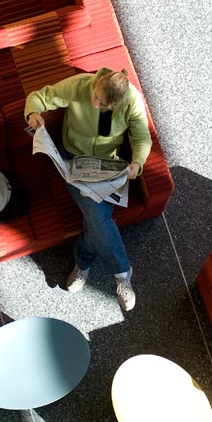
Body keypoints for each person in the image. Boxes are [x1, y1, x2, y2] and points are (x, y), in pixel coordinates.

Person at [25, 68, 152, 311]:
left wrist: (138, 162)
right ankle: (122, 274)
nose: (95, 105)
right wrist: (32, 113)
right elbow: (40, 96)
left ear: (118, 102)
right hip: (73, 160)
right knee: (97, 215)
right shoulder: (80, 85)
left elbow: (141, 137)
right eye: (95, 97)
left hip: (107, 164)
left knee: (96, 219)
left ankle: (82, 263)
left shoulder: (132, 101)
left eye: (103, 104)